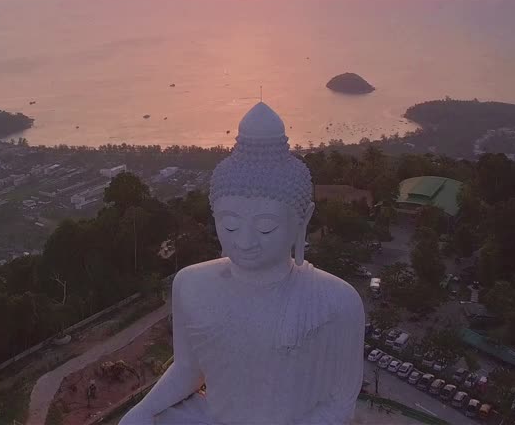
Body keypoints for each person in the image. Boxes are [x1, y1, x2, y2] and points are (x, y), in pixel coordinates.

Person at [119, 103, 364, 425]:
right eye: (230, 225)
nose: (245, 241)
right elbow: (188, 371)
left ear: (303, 218)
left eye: (266, 227)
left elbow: (340, 404)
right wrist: (140, 412)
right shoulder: (191, 284)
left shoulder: (337, 302)